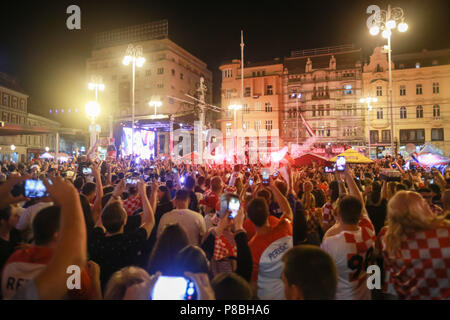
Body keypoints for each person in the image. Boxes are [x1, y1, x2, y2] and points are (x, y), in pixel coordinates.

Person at [11, 177, 87, 300]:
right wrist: (71, 199)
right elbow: (79, 293)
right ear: (57, 234)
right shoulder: (71, 269)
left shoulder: (14, 260)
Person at [378, 191, 450, 299]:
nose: (427, 204)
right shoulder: (443, 235)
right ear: (417, 211)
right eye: (424, 203)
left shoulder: (388, 241)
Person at [89, 179, 156, 290]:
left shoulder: (96, 240)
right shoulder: (131, 241)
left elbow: (101, 218)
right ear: (125, 221)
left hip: (102, 289)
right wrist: (143, 193)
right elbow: (150, 221)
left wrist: (114, 195)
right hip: (127, 291)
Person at [321, 169, 376, 300]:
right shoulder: (369, 231)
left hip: (342, 296)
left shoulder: (332, 241)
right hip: (365, 295)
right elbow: (359, 201)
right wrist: (347, 175)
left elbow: (324, 274)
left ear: (338, 212)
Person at [247, 180, 293, 300]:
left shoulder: (251, 248)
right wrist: (272, 186)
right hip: (293, 293)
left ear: (250, 220)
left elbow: (253, 285)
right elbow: (287, 210)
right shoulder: (284, 227)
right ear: (268, 212)